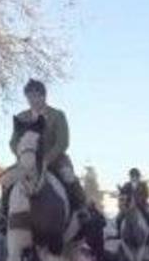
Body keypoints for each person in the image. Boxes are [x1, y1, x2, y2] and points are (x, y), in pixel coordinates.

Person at [7, 79, 88, 215]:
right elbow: (13, 142)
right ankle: (3, 213)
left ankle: (81, 209)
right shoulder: (21, 117)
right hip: (28, 159)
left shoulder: (57, 115)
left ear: (43, 96)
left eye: (36, 96)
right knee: (8, 180)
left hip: (54, 158)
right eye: (29, 97)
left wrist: (47, 159)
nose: (32, 100)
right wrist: (23, 155)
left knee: (68, 176)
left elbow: (63, 142)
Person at [115, 168, 149, 240]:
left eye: (135, 176)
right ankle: (118, 233)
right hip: (129, 206)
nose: (133, 177)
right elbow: (123, 194)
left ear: (138, 176)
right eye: (132, 176)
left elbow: (147, 194)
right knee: (118, 217)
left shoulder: (143, 185)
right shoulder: (127, 185)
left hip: (141, 204)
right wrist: (121, 191)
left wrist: (139, 200)